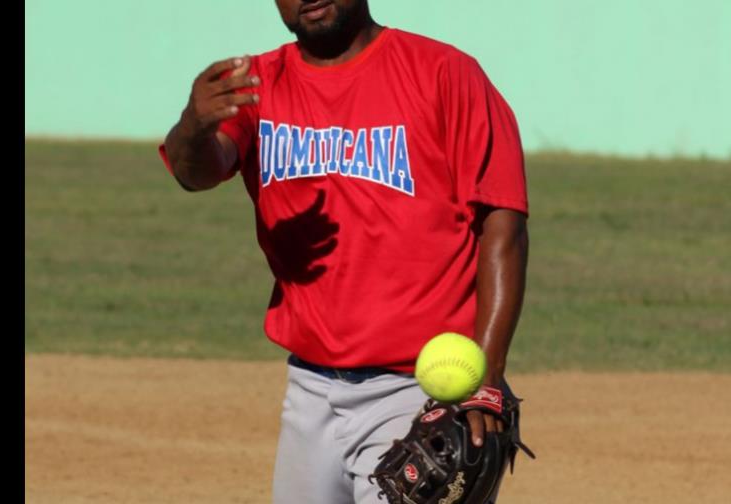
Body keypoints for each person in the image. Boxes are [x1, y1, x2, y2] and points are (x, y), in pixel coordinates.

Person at [159, 1, 529, 502]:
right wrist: (194, 125)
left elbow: (502, 225)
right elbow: (195, 173)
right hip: (308, 390)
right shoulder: (254, 85)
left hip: (420, 392)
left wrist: (487, 376)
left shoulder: (444, 73)